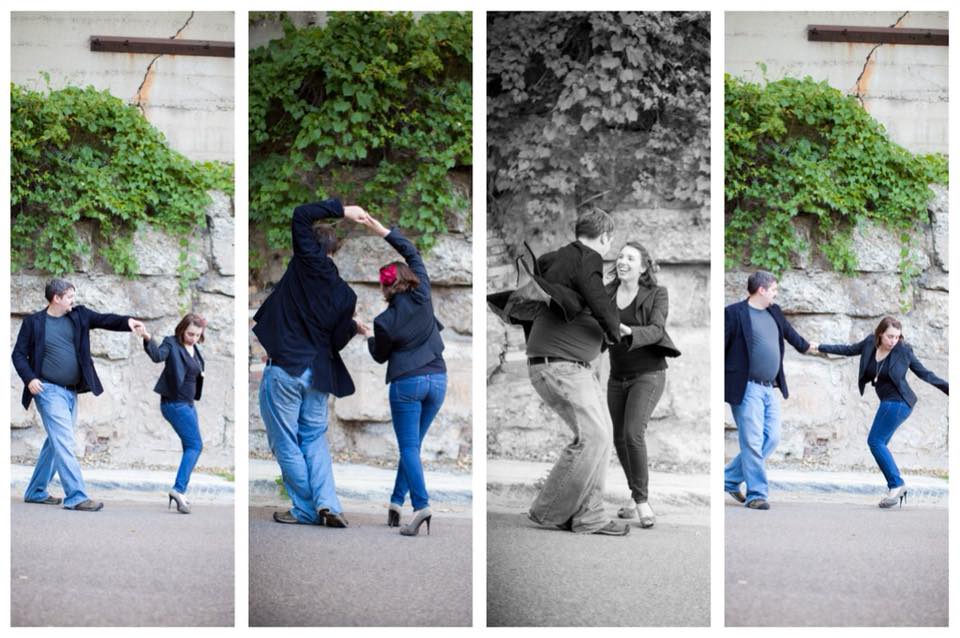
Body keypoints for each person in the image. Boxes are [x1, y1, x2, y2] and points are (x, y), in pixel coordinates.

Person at [495, 207, 630, 535]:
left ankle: (588, 515)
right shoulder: (587, 258)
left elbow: (555, 300)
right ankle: (549, 509)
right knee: (594, 436)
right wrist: (615, 330)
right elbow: (597, 299)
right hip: (561, 366)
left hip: (567, 366)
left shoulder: (554, 259)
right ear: (605, 237)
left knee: (600, 436)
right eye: (610, 241)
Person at [252, 200, 369, 527]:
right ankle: (328, 504)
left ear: (312, 246)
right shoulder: (346, 296)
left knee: (286, 441)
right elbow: (334, 341)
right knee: (314, 438)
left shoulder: (306, 263)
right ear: (335, 250)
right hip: (318, 374)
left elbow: (301, 213)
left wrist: (344, 210)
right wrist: (352, 327)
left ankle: (306, 509)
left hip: (286, 368)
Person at [12, 278, 144, 511]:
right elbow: (18, 355)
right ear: (57, 298)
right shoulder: (34, 323)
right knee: (64, 441)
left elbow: (104, 319)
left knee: (55, 442)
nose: (74, 301)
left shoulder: (79, 315)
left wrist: (128, 322)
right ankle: (76, 496)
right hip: (47, 390)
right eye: (70, 297)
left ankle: (36, 491)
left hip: (71, 392)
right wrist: (30, 378)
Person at [355, 214, 446, 537]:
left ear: (385, 288)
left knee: (408, 448)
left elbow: (380, 355)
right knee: (413, 447)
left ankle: (421, 506)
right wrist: (380, 229)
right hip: (438, 379)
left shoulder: (384, 321)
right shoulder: (423, 294)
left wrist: (367, 335)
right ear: (408, 277)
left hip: (407, 383)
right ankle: (396, 502)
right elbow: (412, 252)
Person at [814, 317, 948, 508]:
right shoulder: (870, 343)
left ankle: (896, 485)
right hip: (888, 402)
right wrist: (819, 347)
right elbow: (848, 349)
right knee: (879, 443)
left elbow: (925, 373)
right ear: (880, 334)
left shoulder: (903, 351)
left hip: (899, 402)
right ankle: (895, 485)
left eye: (897, 337)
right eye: (890, 336)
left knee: (875, 441)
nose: (894, 341)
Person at [605, 241, 680, 528]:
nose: (623, 261)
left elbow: (656, 330)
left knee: (633, 433)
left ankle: (641, 501)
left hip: (649, 374)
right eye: (620, 256)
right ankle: (635, 493)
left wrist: (628, 331)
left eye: (630, 258)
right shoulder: (606, 293)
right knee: (618, 438)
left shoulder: (657, 294)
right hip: (617, 376)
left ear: (643, 267)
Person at [724, 271, 811, 510]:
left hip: (769, 387)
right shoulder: (734, 313)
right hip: (746, 387)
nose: (776, 293)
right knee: (752, 441)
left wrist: (818, 347)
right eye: (773, 289)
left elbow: (795, 338)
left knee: (771, 438)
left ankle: (728, 479)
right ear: (761, 290)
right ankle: (756, 494)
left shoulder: (774, 311)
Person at [136, 313, 208, 514]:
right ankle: (178, 490)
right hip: (174, 404)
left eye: (197, 335)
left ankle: (180, 490)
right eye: (190, 334)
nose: (193, 338)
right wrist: (147, 337)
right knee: (195, 445)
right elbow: (157, 356)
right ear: (182, 329)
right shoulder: (171, 343)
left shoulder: (195, 348)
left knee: (190, 446)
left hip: (188, 404)